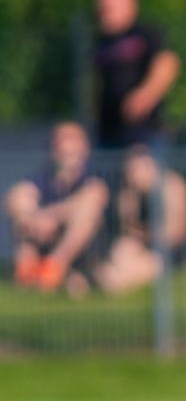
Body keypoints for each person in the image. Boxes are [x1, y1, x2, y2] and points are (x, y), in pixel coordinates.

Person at [6, 121, 108, 292]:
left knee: (87, 211)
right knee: (21, 201)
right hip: (43, 236)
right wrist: (32, 219)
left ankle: (53, 268)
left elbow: (94, 198)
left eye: (72, 138)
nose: (65, 144)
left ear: (84, 147)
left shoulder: (94, 177)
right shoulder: (44, 179)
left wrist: (49, 216)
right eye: (61, 139)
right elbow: (15, 196)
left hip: (88, 250)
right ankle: (27, 268)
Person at [92, 0, 180, 149]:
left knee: (142, 173)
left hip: (143, 131)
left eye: (108, 8)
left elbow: (167, 62)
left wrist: (145, 95)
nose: (102, 13)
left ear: (129, 4)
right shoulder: (100, 41)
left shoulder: (144, 33)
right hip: (109, 131)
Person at [94, 145, 186, 295]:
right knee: (122, 250)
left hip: (168, 252)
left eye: (134, 170)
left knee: (116, 278)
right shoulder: (130, 191)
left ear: (150, 166)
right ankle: (108, 277)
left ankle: (112, 281)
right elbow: (127, 229)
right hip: (141, 244)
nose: (130, 176)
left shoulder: (171, 187)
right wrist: (129, 202)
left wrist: (145, 234)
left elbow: (175, 235)